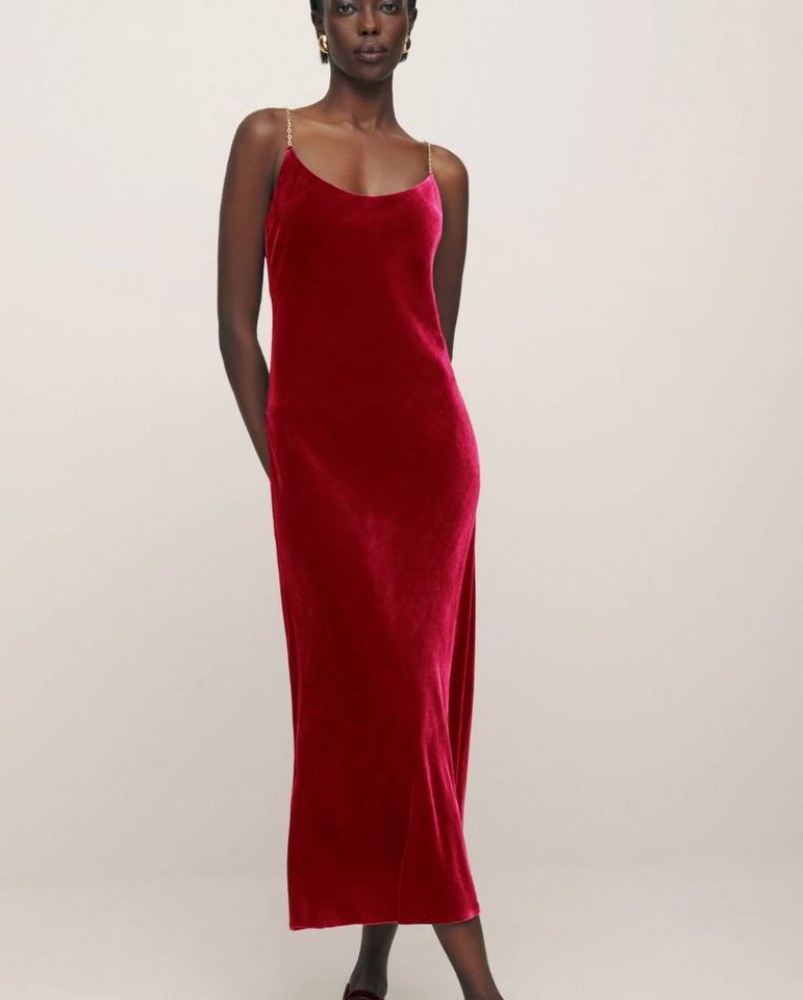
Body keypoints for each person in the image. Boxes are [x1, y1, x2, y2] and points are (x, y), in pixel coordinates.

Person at [217, 4, 506, 999]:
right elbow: (237, 331)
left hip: (429, 480)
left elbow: (432, 346)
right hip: (319, 482)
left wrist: (400, 459)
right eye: (346, 3)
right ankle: (421, 967)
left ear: (413, 21)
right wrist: (291, 471)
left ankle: (406, 966)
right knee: (372, 709)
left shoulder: (444, 175)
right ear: (319, 22)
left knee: (408, 712)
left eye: (387, 2)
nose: (368, 22)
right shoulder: (269, 140)